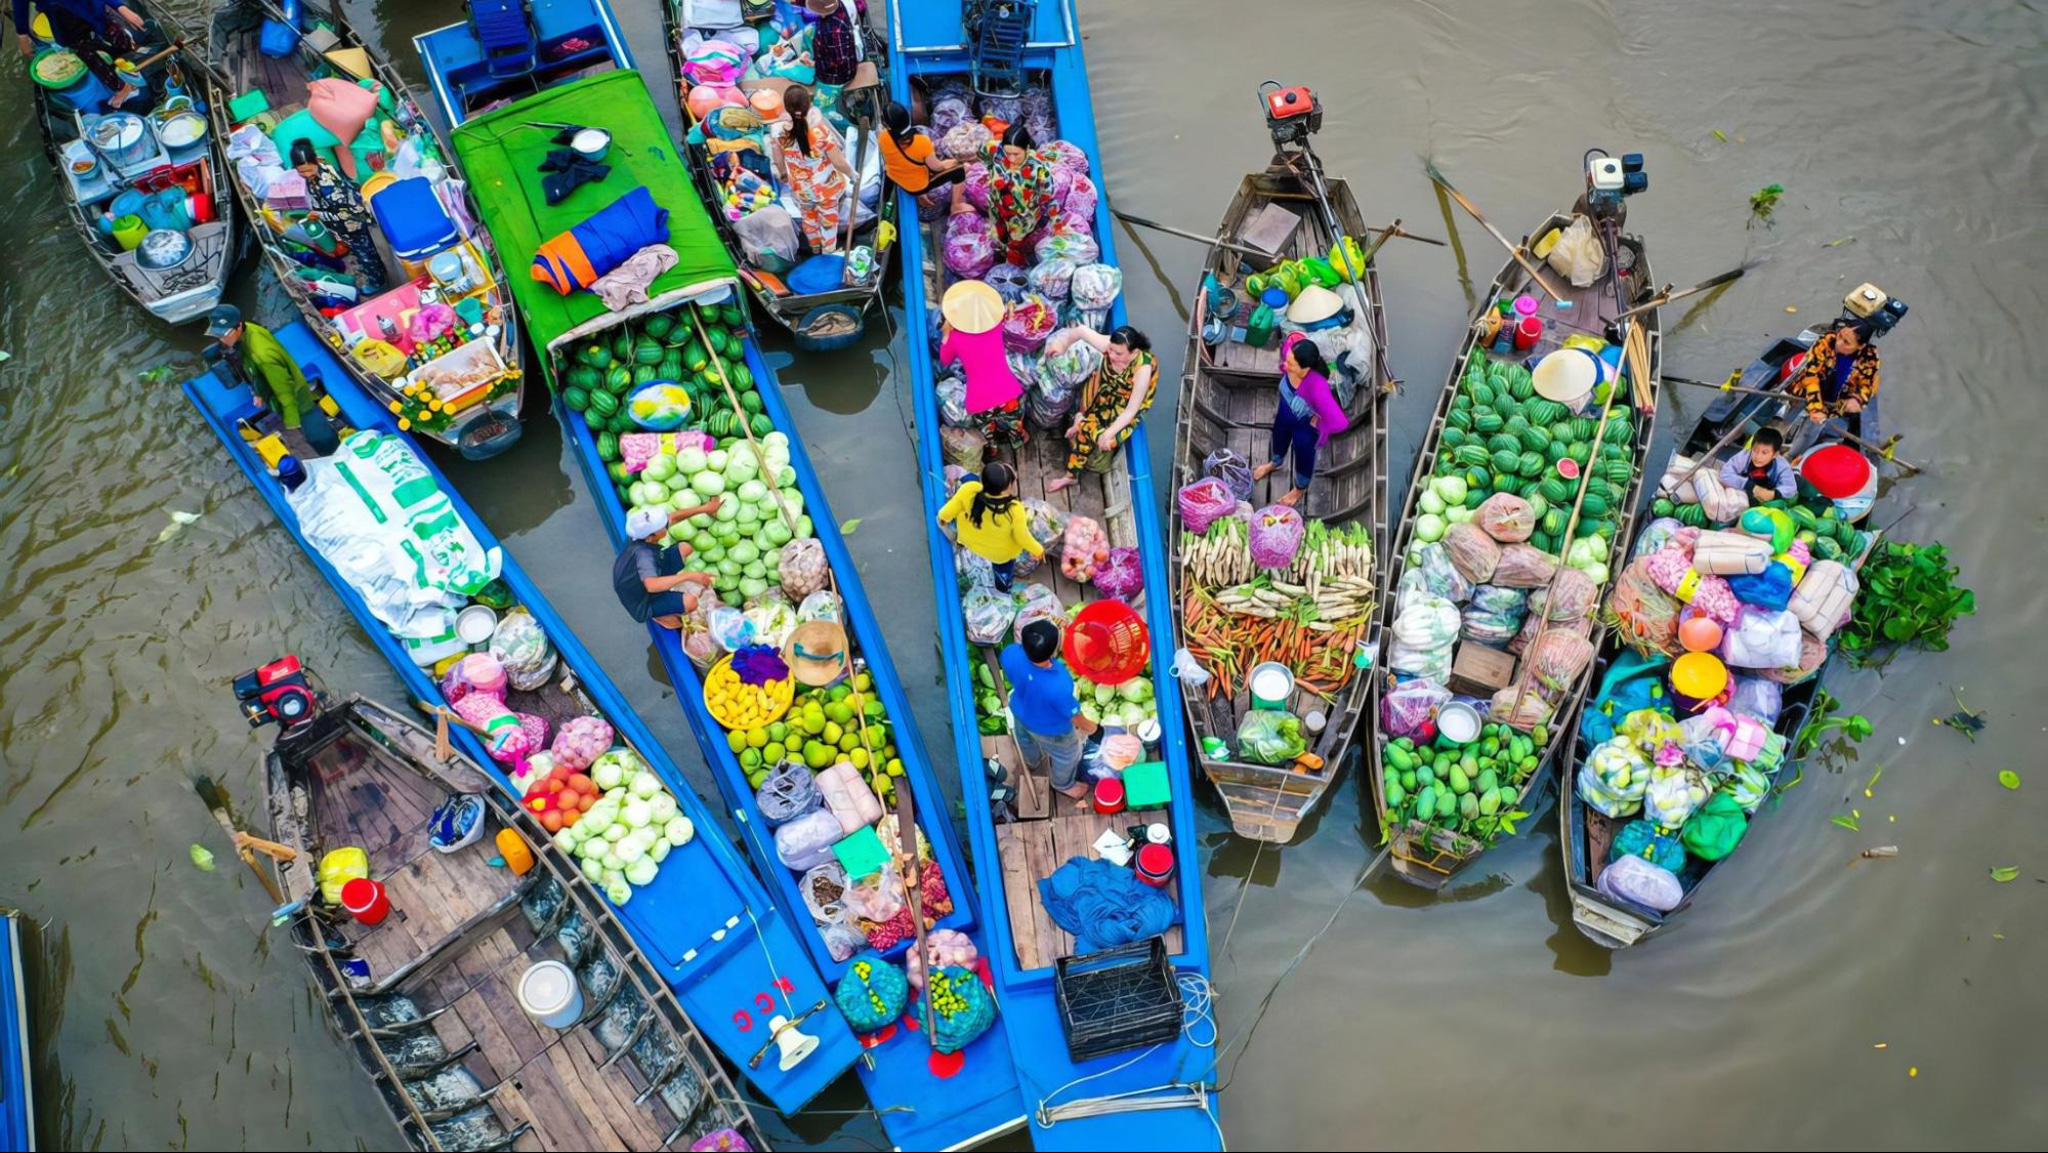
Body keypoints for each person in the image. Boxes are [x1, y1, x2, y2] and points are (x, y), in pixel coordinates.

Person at [1043, 324, 1155, 493]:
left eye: (1118, 354)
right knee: (1087, 431)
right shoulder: (1108, 346)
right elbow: (1080, 331)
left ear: (1134, 352)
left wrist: (1107, 433)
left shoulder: (1143, 371)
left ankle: (1080, 424)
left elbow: (1131, 411)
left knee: (1105, 442)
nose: (1111, 355)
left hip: (1124, 405)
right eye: (1111, 350)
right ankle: (1071, 475)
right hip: (1104, 390)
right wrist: (1061, 345)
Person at [1000, 620, 1097, 803]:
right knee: (1069, 755)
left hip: (1020, 711)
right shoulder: (1059, 684)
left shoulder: (1010, 653)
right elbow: (1074, 716)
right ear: (1053, 652)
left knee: (1025, 738)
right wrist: (1093, 729)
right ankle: (1063, 784)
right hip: (1051, 730)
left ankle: (1032, 760)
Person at [1251, 335, 1350, 507]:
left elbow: (1339, 422)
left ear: (1305, 368)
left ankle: (1299, 489)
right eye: (1287, 358)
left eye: (1290, 363)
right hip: (1284, 415)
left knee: (1303, 456)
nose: (1285, 365)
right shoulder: (1289, 367)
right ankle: (1275, 463)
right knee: (1279, 438)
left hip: (1304, 427)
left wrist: (1317, 423)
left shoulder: (1317, 387)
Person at [289, 139, 387, 295]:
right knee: (366, 249)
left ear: (314, 162)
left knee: (364, 252)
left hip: (351, 221)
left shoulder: (329, 186)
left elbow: (343, 213)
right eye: (302, 171)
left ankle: (378, 282)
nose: (306, 175)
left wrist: (318, 214)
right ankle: (379, 269)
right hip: (345, 216)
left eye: (309, 170)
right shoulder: (320, 162)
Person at [768, 85, 856, 255]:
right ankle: (828, 252)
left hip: (801, 189)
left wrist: (784, 175)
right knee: (829, 220)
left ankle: (815, 249)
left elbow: (778, 159)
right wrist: (853, 175)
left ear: (786, 107)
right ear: (808, 105)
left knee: (808, 218)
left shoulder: (777, 130)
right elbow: (838, 162)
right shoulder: (820, 132)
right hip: (826, 189)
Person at [938, 278, 1025, 448]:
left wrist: (946, 334)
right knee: (1014, 423)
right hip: (1007, 392)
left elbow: (944, 359)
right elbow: (1008, 316)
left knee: (987, 429)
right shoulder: (997, 325)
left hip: (980, 399)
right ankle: (1018, 441)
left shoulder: (955, 338)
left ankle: (992, 448)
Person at [14, 1, 145, 109]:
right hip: (61, 17)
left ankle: (130, 52)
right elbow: (20, 6)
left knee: (110, 31)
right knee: (84, 51)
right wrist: (22, 36)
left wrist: (121, 7)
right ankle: (122, 88)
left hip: (90, 6)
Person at [613, 502, 723, 630]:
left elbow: (673, 518)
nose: (667, 526)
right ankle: (658, 615)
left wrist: (704, 509)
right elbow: (652, 586)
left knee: (685, 548)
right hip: (642, 597)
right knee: (691, 602)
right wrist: (690, 576)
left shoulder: (639, 533)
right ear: (651, 536)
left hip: (645, 573)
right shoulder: (644, 555)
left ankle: (668, 589)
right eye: (663, 527)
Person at [937, 461, 1041, 592]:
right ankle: (1003, 587)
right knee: (1003, 570)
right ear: (1005, 489)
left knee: (968, 478)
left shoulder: (969, 490)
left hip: (968, 540)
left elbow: (945, 514)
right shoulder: (1014, 509)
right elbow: (1022, 537)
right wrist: (1038, 550)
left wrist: (943, 521)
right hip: (999, 555)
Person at [206, 305, 315, 430]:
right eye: (218, 335)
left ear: (239, 326)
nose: (223, 340)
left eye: (226, 334)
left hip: (297, 397)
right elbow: (251, 366)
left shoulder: (262, 354)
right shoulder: (247, 331)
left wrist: (291, 421)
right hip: (273, 384)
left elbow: (284, 389)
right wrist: (258, 392)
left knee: (310, 423)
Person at [970, 123, 1056, 265]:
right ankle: (1001, 249)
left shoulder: (1039, 166)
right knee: (998, 233)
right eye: (1007, 153)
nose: (1011, 158)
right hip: (998, 205)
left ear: (1027, 149)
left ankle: (1013, 262)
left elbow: (1047, 193)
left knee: (1016, 243)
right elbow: (982, 154)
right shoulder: (994, 149)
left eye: (1016, 154)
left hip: (1023, 214)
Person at [1790, 317, 1880, 435]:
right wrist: (1816, 408)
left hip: (1834, 403)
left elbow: (1866, 385)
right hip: (1807, 392)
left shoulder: (1869, 358)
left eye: (1846, 342)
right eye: (1840, 336)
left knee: (1811, 430)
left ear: (1861, 346)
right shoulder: (1824, 343)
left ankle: (1792, 453)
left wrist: (1857, 399)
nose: (1838, 343)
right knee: (1792, 413)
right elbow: (1811, 376)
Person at [878, 101, 965, 208]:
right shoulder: (922, 142)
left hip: (895, 177)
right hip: (916, 187)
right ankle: (957, 205)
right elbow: (937, 168)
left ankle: (885, 199)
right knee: (959, 171)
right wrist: (953, 162)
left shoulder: (882, 137)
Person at [805, 0, 861, 126]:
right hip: (829, 52)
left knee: (820, 112)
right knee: (808, 31)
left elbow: (839, 59)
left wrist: (817, 64)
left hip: (837, 76)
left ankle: (849, 128)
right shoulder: (837, 4)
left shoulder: (834, 31)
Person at [1718, 426, 1797, 504]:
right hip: (1741, 493)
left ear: (1775, 454)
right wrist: (1749, 485)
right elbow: (1724, 473)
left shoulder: (1782, 465)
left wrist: (1773, 494)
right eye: (1755, 450)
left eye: (1764, 453)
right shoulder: (1745, 455)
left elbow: (1791, 488)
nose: (1758, 456)